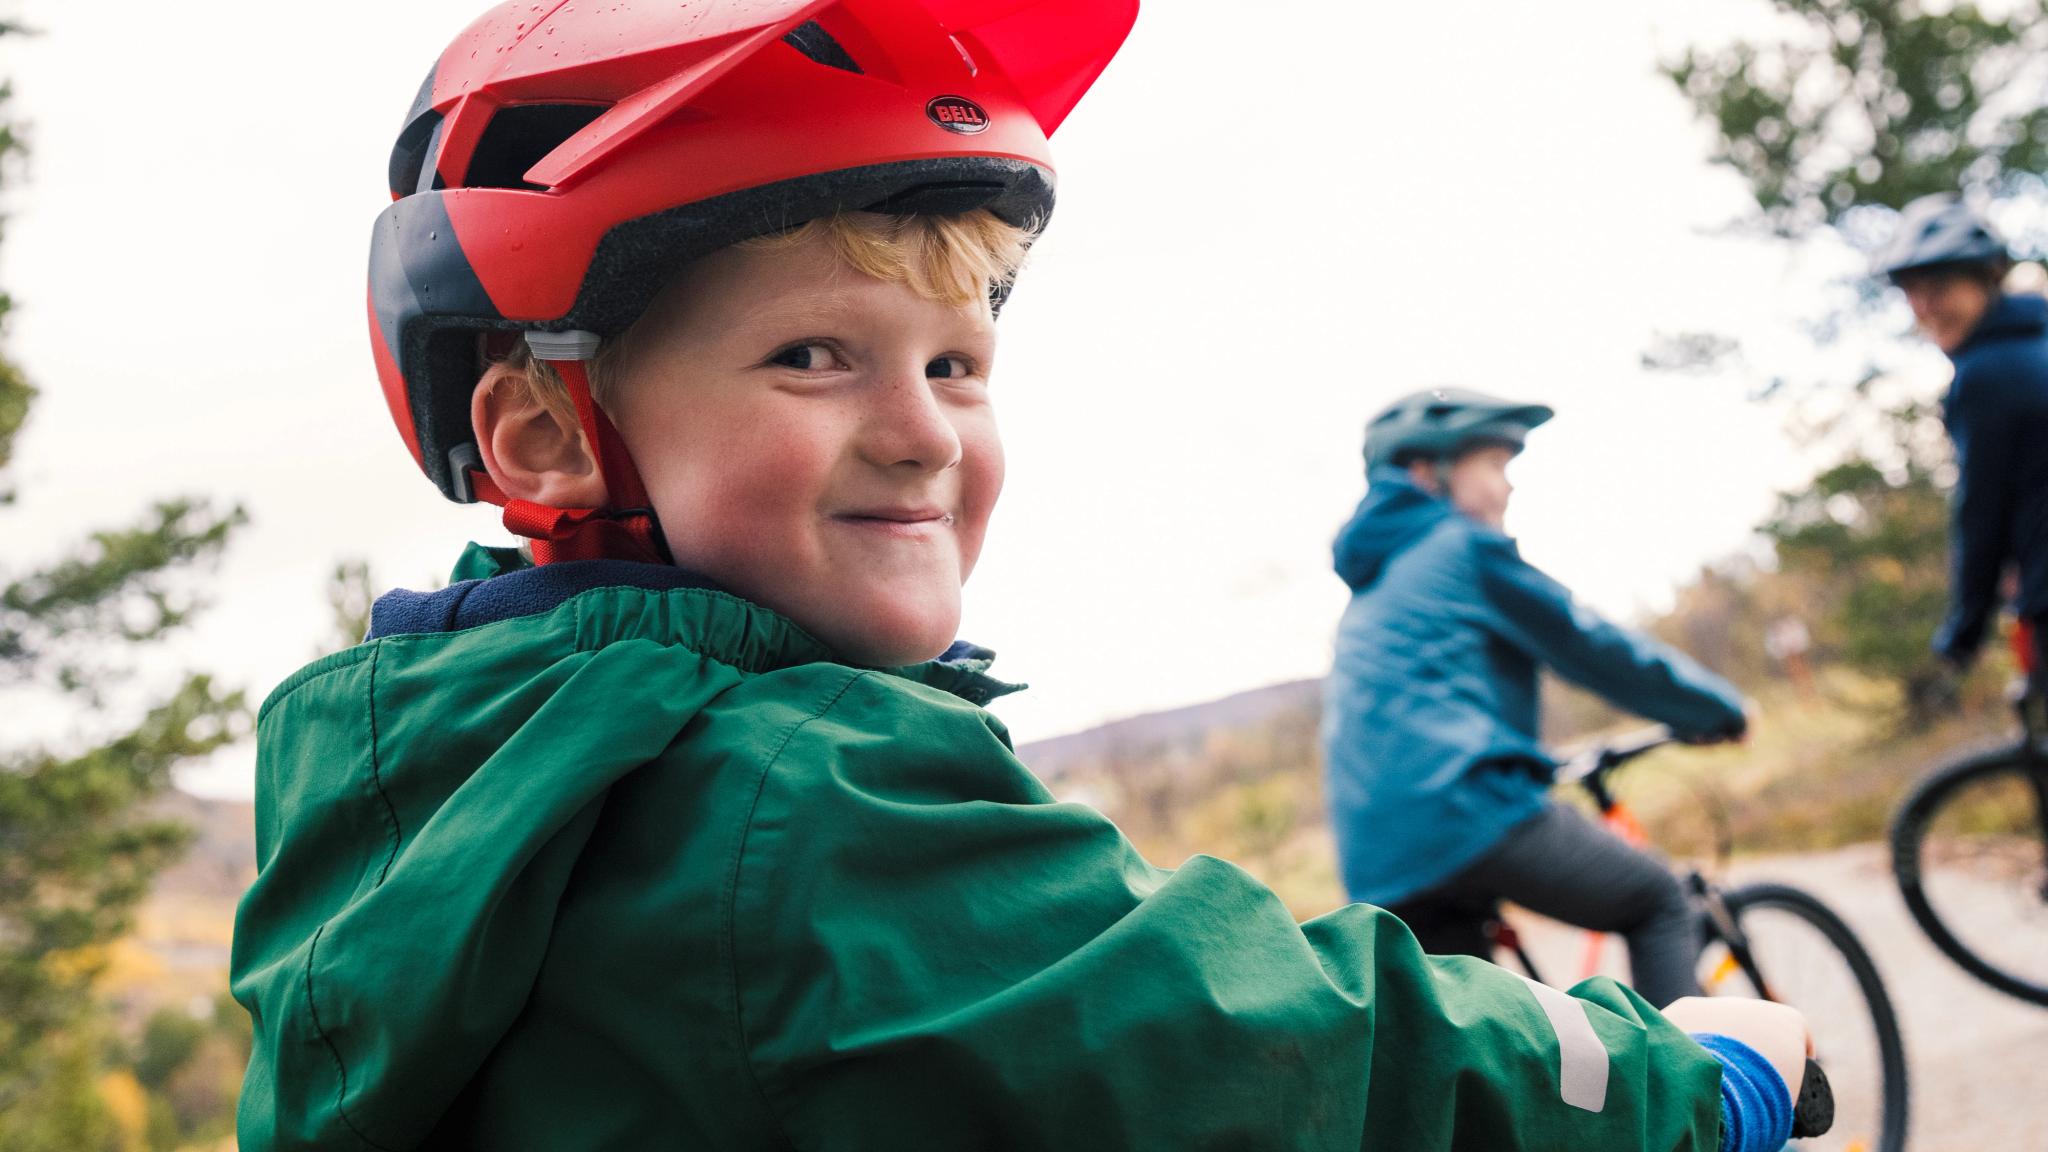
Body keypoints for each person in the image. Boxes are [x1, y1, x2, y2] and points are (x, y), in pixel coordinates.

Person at [230, 5, 1804, 1149]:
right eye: (812, 355)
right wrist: (1677, 1081)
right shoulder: (782, 800)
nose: (921, 433)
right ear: (545, 429)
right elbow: (1248, 1048)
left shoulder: (456, 771)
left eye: (959, 363)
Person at [1322, 388, 1751, 1009]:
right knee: (1659, 901)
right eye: (1494, 466)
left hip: (1379, 863)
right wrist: (1713, 708)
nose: (1508, 488)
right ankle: (1696, 1104)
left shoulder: (1375, 585)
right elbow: (1588, 643)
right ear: (1425, 472)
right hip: (1467, 812)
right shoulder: (1461, 549)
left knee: (1480, 1048)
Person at [1875, 193, 2048, 687]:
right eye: (1912, 290)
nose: (1925, 306)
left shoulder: (1986, 375)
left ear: (1986, 279)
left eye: (1940, 286)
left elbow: (1982, 515)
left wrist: (1963, 632)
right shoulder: (2036, 345)